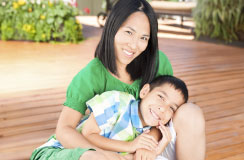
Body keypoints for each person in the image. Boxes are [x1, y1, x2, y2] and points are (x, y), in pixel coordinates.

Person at [31, 0, 205, 160]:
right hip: (101, 146)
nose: (134, 45)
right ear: (113, 27)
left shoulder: (158, 64)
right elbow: (64, 130)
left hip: (142, 144)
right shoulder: (91, 75)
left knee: (192, 113)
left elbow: (166, 112)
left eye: (143, 38)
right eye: (129, 32)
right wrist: (108, 156)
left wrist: (149, 142)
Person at [32, 75, 188, 160]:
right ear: (145, 91)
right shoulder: (117, 101)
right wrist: (130, 147)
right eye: (161, 97)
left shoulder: (148, 132)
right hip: (57, 152)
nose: (163, 108)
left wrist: (158, 148)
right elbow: (88, 134)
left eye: (172, 108)